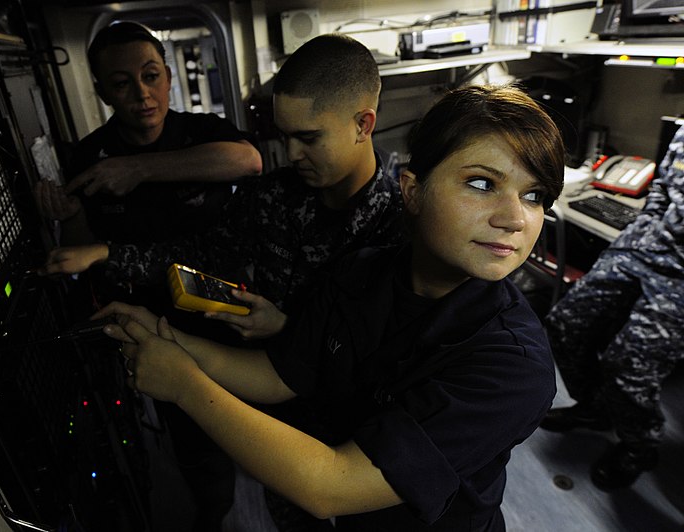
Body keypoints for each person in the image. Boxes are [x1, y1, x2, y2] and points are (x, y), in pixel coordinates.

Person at [93, 84, 565, 531]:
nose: (514, 218)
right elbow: (279, 376)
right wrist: (167, 337)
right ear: (413, 190)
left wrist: (186, 386)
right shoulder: (360, 273)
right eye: (482, 183)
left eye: (534, 196)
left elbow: (332, 485)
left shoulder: (512, 366)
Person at [41, 33, 407, 530]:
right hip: (283, 422)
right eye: (283, 136)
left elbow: (401, 347)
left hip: (373, 447)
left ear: (363, 124)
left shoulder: (408, 220)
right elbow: (202, 252)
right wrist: (107, 252)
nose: (291, 153)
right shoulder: (276, 197)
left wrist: (290, 329)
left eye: (308, 137)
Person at [539, 123, 684, 491]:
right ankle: (593, 407)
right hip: (645, 248)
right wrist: (643, 234)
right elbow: (663, 190)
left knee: (628, 366)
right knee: (567, 325)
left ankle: (639, 446)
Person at [34, 20, 262, 247]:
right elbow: (80, 252)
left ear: (168, 78)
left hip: (214, 274)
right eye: (122, 83)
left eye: (151, 76)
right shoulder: (89, 157)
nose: (142, 93)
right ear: (103, 93)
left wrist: (137, 168)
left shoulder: (203, 130)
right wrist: (71, 217)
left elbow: (249, 161)